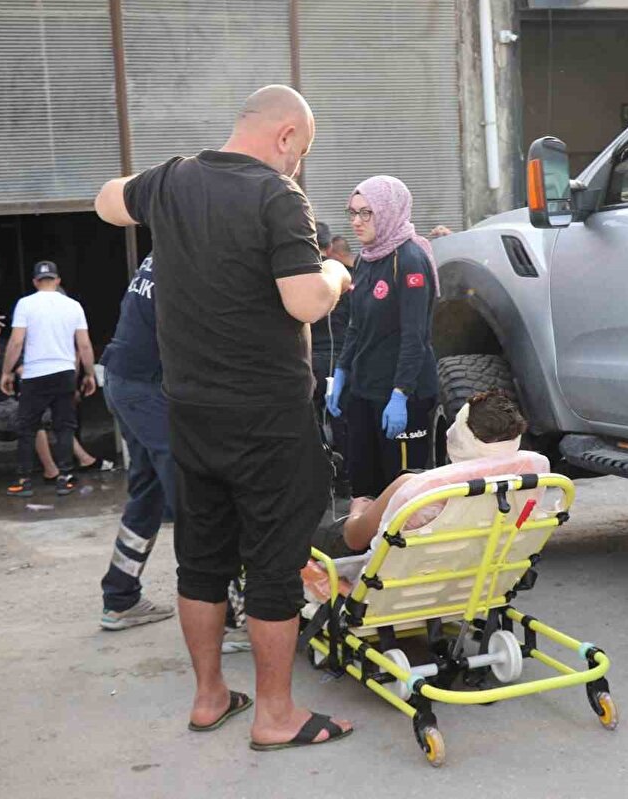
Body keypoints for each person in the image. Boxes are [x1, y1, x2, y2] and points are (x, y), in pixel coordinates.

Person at [94, 84, 354, 748]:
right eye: (301, 152)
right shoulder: (277, 196)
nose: (297, 166)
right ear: (287, 136)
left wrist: (149, 191)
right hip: (266, 416)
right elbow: (301, 301)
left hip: (190, 410)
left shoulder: (175, 180)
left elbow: (105, 200)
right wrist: (333, 273)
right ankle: (274, 714)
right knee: (273, 558)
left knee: (202, 558)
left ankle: (211, 696)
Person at [96, 252, 250, 650]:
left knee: (147, 492)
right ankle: (233, 620)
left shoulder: (163, 251)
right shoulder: (192, 259)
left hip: (122, 379)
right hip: (146, 389)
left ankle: (120, 597)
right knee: (199, 499)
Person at [312, 390, 527, 559]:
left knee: (300, 522)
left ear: (459, 437)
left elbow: (354, 539)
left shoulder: (418, 487)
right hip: (474, 572)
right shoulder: (528, 482)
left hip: (394, 577)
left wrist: (357, 509)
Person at [327, 176, 439, 498]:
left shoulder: (409, 260)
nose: (356, 222)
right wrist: (342, 371)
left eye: (367, 213)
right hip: (366, 390)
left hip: (401, 393)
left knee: (402, 493)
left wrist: (401, 393)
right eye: (352, 213)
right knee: (364, 485)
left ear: (389, 211)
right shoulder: (366, 257)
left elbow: (414, 335)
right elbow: (355, 325)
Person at [0, 309, 103, 483]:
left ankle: (84, 460)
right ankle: (52, 471)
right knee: (32, 417)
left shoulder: (6, 349)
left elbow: (23, 371)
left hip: (12, 406)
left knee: (54, 410)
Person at [0, 261, 97, 498]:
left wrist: (6, 371)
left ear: (35, 282)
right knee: (64, 427)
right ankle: (64, 478)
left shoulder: (25, 304)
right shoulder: (73, 306)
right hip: (64, 373)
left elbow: (16, 342)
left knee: (27, 428)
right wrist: (90, 374)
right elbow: (83, 344)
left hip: (34, 375)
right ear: (57, 280)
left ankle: (24, 481)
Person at [311, 222, 351, 476]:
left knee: (310, 425)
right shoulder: (347, 276)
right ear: (329, 248)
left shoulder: (295, 277)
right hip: (341, 362)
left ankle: (320, 480)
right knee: (344, 423)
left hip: (309, 362)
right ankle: (348, 480)